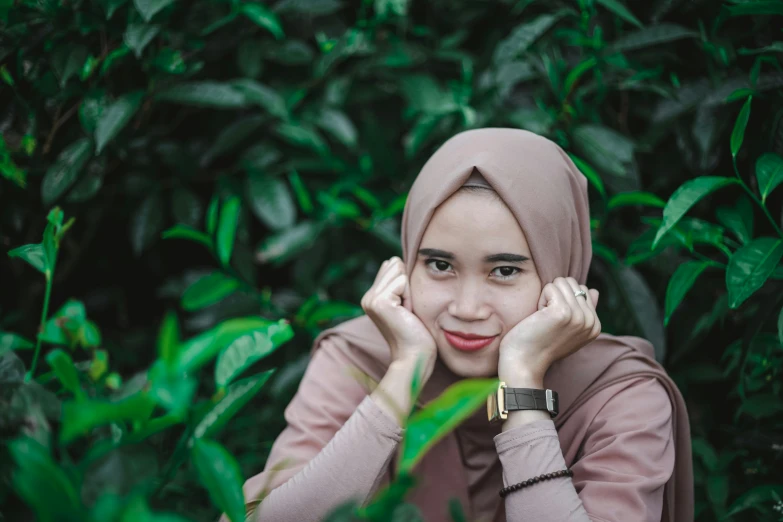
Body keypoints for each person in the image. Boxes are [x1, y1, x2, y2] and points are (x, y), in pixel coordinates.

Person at [224, 128, 693, 522]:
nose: (467, 308)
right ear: (407, 262)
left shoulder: (618, 394)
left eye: (505, 271)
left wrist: (524, 389)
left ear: (561, 270)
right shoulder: (359, 358)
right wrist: (403, 373)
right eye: (440, 265)